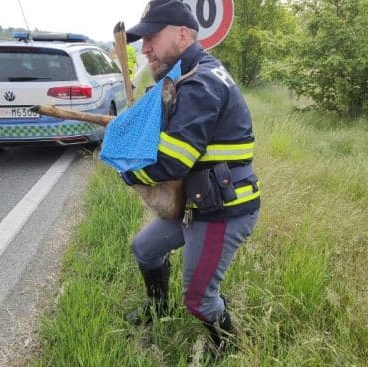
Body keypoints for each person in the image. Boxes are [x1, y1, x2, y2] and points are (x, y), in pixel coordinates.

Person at [121, 0, 260, 358]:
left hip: (223, 208)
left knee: (198, 299)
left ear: (183, 34)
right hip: (198, 201)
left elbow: (172, 161)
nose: (145, 48)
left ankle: (227, 346)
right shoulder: (187, 76)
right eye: (143, 40)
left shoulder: (200, 83)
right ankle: (157, 308)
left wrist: (126, 168)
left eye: (152, 37)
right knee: (146, 249)